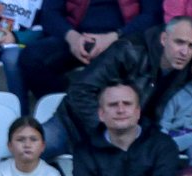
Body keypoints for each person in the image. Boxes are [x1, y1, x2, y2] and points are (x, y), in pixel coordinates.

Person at [43, 16, 192, 159]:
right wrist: (109, 135)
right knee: (32, 147)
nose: (184, 52)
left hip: (125, 145)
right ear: (164, 39)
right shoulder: (130, 50)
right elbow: (80, 91)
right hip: (72, 127)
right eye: (179, 42)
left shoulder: (187, 73)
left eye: (191, 46)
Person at [70, 81, 182, 176]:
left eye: (127, 104)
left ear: (138, 112)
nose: (121, 110)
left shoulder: (163, 145)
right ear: (101, 114)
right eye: (113, 105)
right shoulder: (85, 150)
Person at [19, 0, 161, 103]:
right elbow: (49, 13)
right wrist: (72, 37)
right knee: (32, 57)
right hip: (76, 36)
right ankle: (64, 106)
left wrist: (115, 37)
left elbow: (151, 16)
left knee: (146, 59)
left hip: (123, 37)